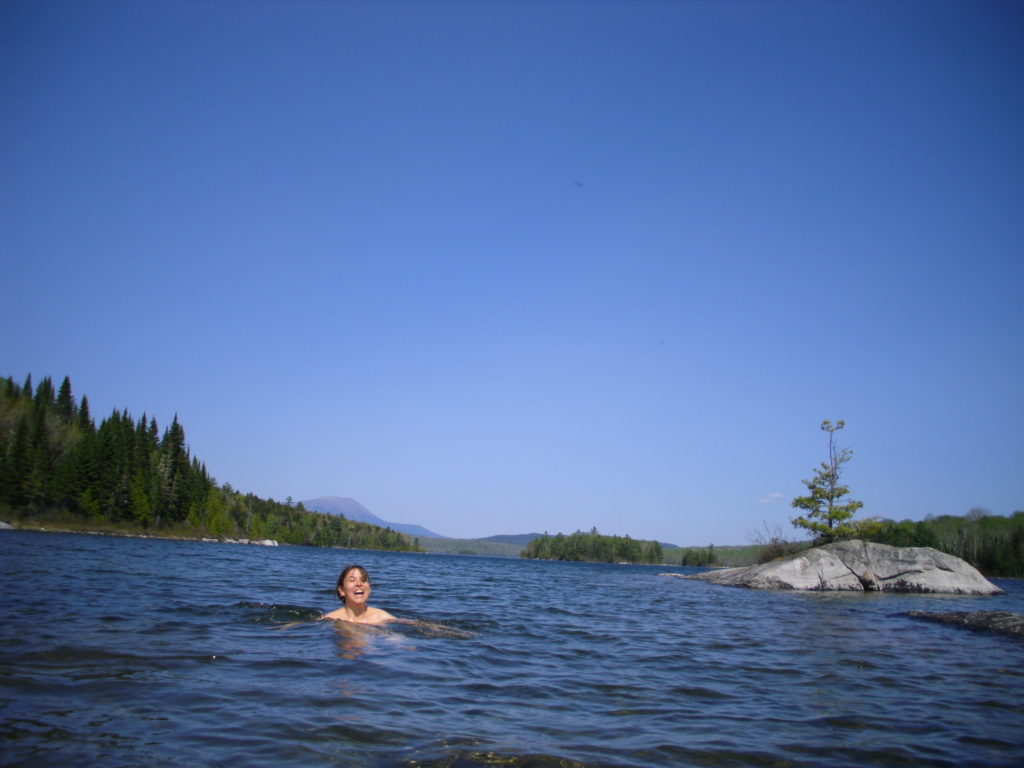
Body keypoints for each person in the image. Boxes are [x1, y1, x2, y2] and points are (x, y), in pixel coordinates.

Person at [320, 564, 397, 625]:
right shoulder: (330, 620)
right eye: (352, 580)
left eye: (363, 580)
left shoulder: (381, 617)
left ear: (369, 589)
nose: (359, 584)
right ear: (341, 590)